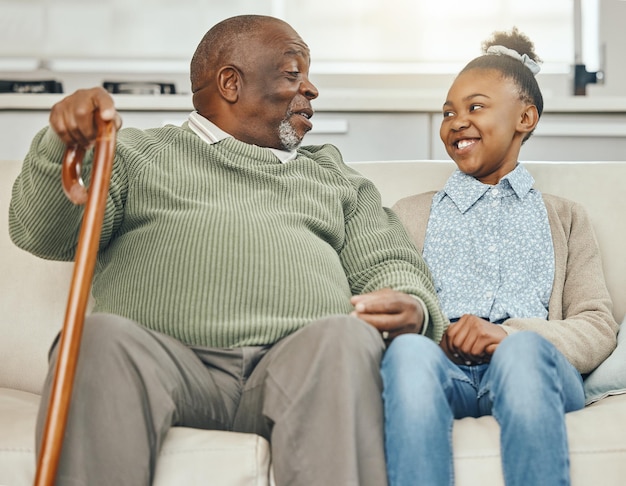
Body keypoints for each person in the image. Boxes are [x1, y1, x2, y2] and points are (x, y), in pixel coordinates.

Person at [8, 14, 448, 486]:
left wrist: (412, 304)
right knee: (94, 341)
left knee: (346, 340)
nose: (312, 89)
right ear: (230, 83)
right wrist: (63, 142)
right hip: (164, 362)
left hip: (299, 366)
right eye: (293, 72)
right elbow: (42, 232)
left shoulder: (332, 176)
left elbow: (389, 261)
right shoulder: (137, 154)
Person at [381, 28, 619, 486]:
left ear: (525, 117)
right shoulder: (408, 214)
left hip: (529, 368)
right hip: (440, 366)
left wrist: (508, 334)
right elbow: (391, 303)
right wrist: (434, 334)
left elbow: (596, 327)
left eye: (475, 107)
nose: (455, 121)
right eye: (448, 111)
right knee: (408, 353)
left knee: (523, 352)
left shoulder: (566, 218)